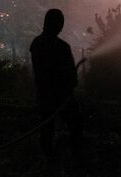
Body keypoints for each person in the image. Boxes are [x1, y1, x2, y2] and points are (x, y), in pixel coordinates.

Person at [30, 9, 83, 159]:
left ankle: (50, 158)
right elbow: (70, 75)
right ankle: (75, 156)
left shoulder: (36, 44)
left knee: (47, 128)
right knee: (76, 124)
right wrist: (70, 83)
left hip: (44, 95)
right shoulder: (62, 47)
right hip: (61, 96)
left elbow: (40, 73)